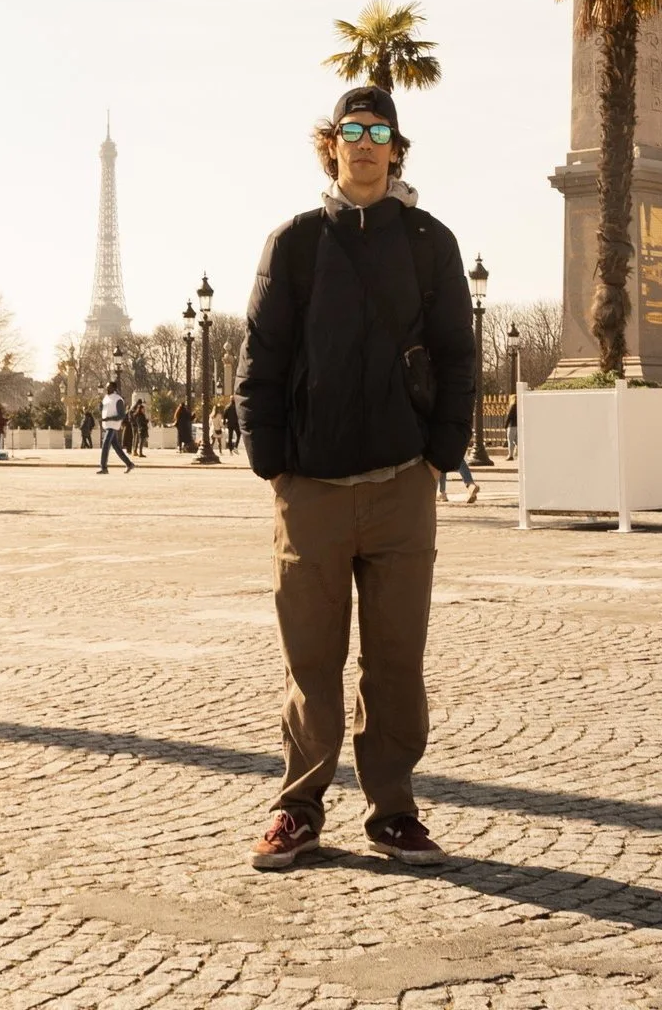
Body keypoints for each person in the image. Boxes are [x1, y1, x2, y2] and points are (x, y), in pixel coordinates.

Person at [236, 84, 474, 873]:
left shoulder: (430, 242)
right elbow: (260, 358)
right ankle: (298, 805)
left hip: (403, 480)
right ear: (331, 145)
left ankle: (394, 808)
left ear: (397, 148)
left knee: (397, 659)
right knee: (311, 661)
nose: (365, 142)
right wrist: (269, 459)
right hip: (310, 484)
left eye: (379, 130)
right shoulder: (294, 244)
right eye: (351, 130)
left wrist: (440, 452)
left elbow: (457, 354)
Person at [97, 379, 134, 473]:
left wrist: (108, 419)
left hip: (112, 426)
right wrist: (100, 406)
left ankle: (103, 467)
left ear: (114, 388)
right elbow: (104, 410)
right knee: (117, 447)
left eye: (109, 386)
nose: (106, 388)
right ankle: (129, 464)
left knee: (105, 445)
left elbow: (121, 415)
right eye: (106, 386)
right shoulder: (106, 398)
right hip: (107, 425)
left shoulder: (118, 399)